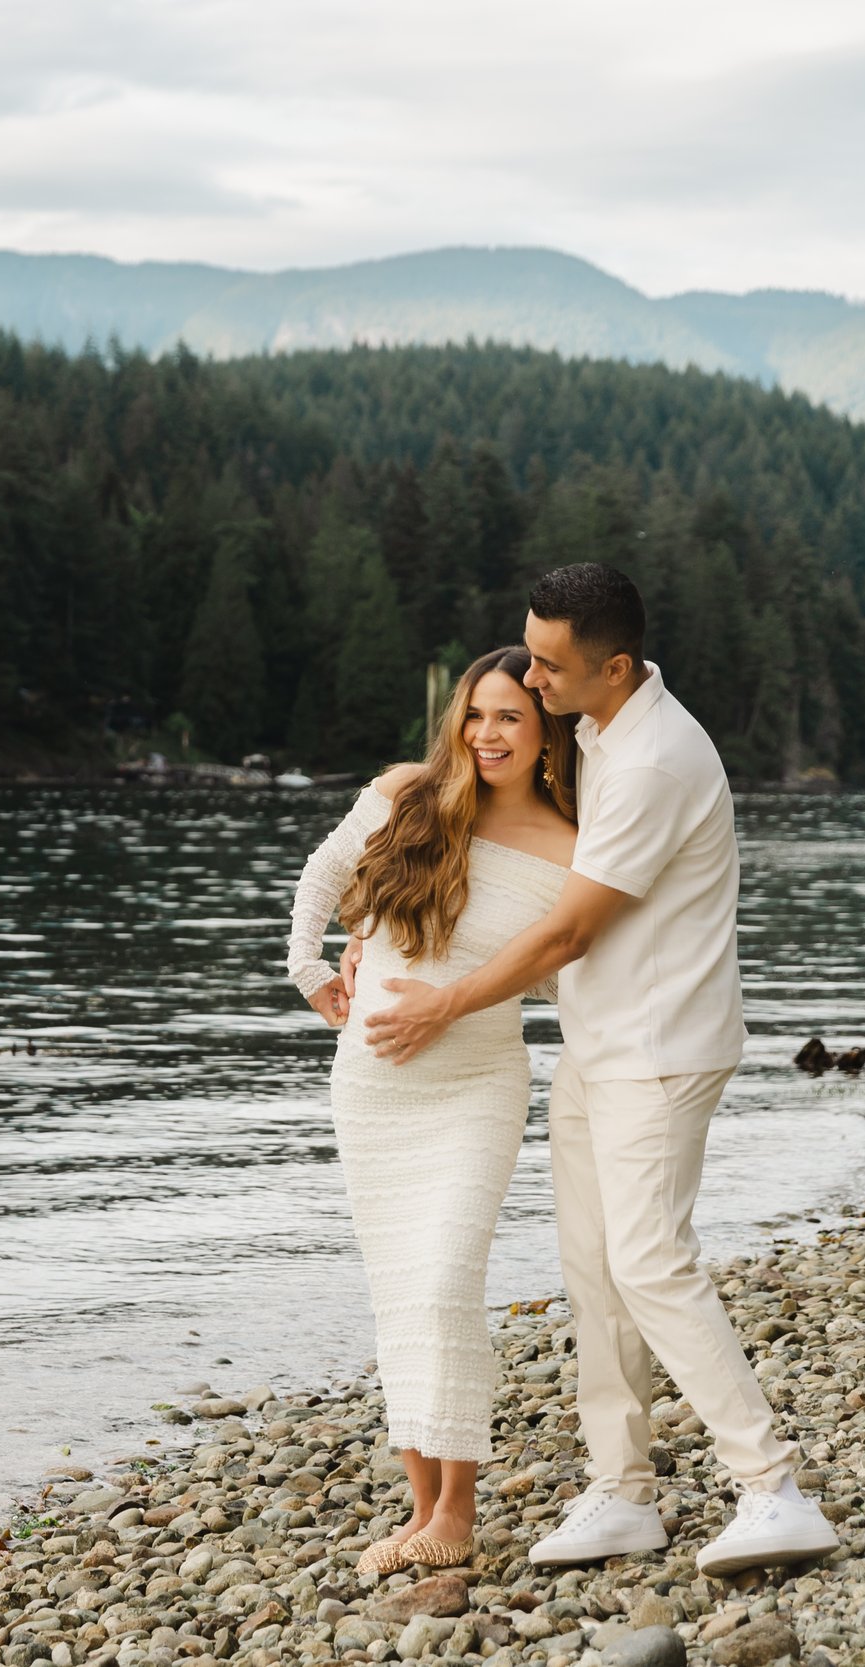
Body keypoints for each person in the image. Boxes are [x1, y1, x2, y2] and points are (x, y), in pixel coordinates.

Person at [350, 563, 838, 1577]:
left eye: (548, 662)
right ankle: (622, 1490)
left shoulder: (656, 758)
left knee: (651, 1261)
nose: (530, 677)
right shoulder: (600, 727)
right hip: (599, 1043)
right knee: (594, 1272)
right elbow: (497, 854)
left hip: (659, 1048)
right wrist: (375, 936)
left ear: (613, 665)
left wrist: (443, 1002)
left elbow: (568, 927)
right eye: (528, 649)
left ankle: (770, 1486)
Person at [284, 645, 580, 1578]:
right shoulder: (406, 792)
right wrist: (311, 971)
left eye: (511, 719)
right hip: (372, 1086)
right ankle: (420, 1505)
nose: (487, 734)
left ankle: (458, 1509)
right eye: (477, 714)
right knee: (400, 1290)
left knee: (447, 1278)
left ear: (544, 737)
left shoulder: (572, 843)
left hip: (475, 1085)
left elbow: (570, 971)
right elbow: (324, 875)